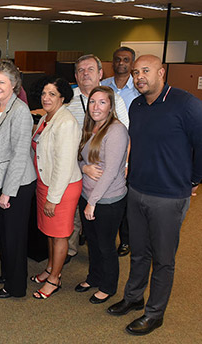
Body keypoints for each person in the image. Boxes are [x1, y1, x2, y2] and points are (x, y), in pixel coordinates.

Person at [108, 55, 202, 336]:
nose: (139, 77)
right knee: (139, 252)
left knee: (163, 258)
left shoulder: (185, 104)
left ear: (161, 72)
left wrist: (195, 179)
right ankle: (134, 296)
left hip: (169, 196)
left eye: (145, 71)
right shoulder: (136, 105)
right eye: (136, 72)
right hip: (137, 190)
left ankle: (154, 313)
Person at [65, 54, 129, 263]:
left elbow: (123, 140)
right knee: (76, 219)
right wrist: (81, 167)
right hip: (78, 171)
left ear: (100, 73)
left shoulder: (115, 101)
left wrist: (124, 166)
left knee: (103, 239)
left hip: (106, 183)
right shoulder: (69, 99)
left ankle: (105, 281)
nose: (85, 74)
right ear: (75, 75)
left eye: (90, 69)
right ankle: (71, 251)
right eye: (81, 70)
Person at [0, 60, 36, 299]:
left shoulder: (21, 111)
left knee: (14, 237)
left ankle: (16, 287)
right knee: (3, 235)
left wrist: (8, 191)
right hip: (0, 180)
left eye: (1, 82)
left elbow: (19, 155)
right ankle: (8, 273)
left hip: (18, 184)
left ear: (14, 84)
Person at [75, 86, 129, 304]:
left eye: (102, 102)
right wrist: (84, 168)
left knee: (106, 245)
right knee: (93, 243)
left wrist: (93, 203)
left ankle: (109, 286)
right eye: (92, 102)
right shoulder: (91, 127)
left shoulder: (116, 131)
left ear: (111, 106)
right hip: (87, 195)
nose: (96, 107)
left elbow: (111, 171)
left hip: (107, 200)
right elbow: (79, 158)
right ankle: (94, 277)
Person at [31, 76, 82, 300]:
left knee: (59, 235)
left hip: (61, 188)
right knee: (49, 233)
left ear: (62, 97)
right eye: (44, 93)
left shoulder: (66, 122)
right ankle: (51, 268)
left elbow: (64, 164)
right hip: (45, 183)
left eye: (52, 94)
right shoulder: (47, 118)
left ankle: (55, 279)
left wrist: (53, 197)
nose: (46, 98)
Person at [101, 47, 140, 258]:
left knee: (124, 194)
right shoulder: (104, 85)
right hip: (103, 146)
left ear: (131, 63)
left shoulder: (138, 88)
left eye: (126, 60)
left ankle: (125, 239)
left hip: (129, 147)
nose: (121, 63)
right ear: (112, 62)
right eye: (117, 59)